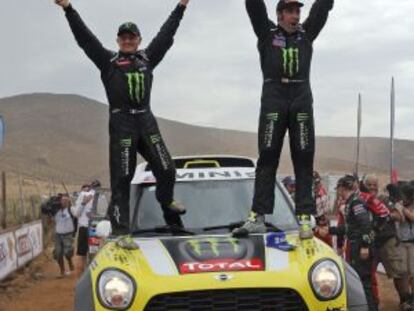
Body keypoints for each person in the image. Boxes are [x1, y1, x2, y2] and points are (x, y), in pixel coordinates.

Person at [54, 0, 190, 233]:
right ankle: (120, 229)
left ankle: (166, 200)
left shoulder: (148, 58)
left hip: (146, 120)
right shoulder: (108, 62)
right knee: (122, 178)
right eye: (123, 37)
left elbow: (166, 35)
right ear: (118, 40)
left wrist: (181, 6)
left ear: (139, 39)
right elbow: (86, 40)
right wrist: (68, 8)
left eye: (132, 37)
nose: (128, 40)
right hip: (122, 123)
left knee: (167, 168)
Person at [234, 0, 334, 239]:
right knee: (267, 157)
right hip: (274, 97)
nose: (296, 15)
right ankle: (257, 216)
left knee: (304, 158)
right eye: (290, 11)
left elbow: (322, 8)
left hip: (300, 98)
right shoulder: (266, 33)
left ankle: (303, 219)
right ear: (279, 15)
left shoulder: (306, 34)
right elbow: (254, 6)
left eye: (298, 11)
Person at [329, 175, 377, 311]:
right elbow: (350, 228)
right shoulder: (351, 202)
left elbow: (365, 226)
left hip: (360, 247)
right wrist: (330, 230)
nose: (337, 192)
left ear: (342, 188)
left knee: (364, 282)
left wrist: (365, 246)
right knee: (359, 280)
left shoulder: (356, 202)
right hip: (354, 246)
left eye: (338, 189)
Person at [397, 182, 414, 310]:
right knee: (403, 274)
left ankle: (412, 299)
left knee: (413, 273)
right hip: (401, 243)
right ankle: (405, 299)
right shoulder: (399, 205)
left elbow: (411, 217)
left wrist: (402, 209)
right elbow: (400, 218)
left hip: (412, 243)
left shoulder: (402, 206)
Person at [72, 183, 94, 277]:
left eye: (88, 190)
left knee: (94, 250)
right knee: (82, 252)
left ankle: (93, 271)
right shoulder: (80, 199)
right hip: (83, 228)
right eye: (84, 190)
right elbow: (76, 214)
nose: (86, 192)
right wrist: (83, 203)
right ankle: (82, 273)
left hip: (95, 227)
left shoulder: (96, 197)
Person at [53, 193, 75, 278]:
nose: (64, 202)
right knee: (58, 253)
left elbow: (77, 214)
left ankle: (70, 261)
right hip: (58, 234)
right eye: (63, 200)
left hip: (68, 234)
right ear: (60, 201)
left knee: (67, 252)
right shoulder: (55, 211)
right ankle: (62, 270)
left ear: (69, 201)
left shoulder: (71, 210)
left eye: (66, 200)